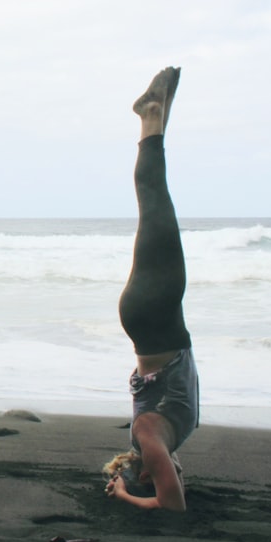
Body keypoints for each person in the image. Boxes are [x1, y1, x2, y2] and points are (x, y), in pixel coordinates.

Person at [103, 67, 199, 511]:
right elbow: (173, 483)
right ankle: (157, 117)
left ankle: (151, 118)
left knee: (156, 205)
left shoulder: (148, 435)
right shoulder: (160, 438)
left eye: (155, 474)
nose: (168, 471)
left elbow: (174, 507)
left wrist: (124, 494)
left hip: (156, 319)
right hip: (152, 323)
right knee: (158, 210)